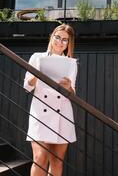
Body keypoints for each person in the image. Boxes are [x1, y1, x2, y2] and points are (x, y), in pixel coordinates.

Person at [24, 24, 77, 176]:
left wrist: (68, 87)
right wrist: (37, 75)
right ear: (52, 37)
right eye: (58, 37)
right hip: (40, 112)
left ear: (68, 44)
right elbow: (27, 86)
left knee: (56, 162)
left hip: (62, 114)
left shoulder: (71, 63)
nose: (60, 42)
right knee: (39, 158)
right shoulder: (37, 57)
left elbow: (72, 94)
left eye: (65, 40)